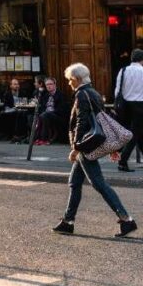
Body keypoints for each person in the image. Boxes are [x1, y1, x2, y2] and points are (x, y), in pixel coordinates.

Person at [52, 62, 137, 237]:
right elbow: (103, 121)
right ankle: (68, 221)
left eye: (69, 80)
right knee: (74, 182)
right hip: (90, 144)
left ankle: (126, 219)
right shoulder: (93, 92)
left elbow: (82, 123)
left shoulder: (82, 94)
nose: (68, 83)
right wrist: (109, 145)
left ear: (76, 79)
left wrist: (76, 148)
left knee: (99, 183)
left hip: (85, 146)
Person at [115, 48, 143, 172]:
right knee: (135, 134)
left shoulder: (123, 70)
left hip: (125, 106)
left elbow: (118, 89)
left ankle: (123, 161)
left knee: (139, 133)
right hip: (140, 105)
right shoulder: (142, 71)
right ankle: (122, 161)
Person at [35, 76, 68, 145]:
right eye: (47, 84)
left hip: (58, 116)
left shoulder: (60, 95)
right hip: (46, 115)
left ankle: (44, 139)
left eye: (50, 84)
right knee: (37, 115)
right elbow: (42, 107)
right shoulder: (45, 95)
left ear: (55, 84)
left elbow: (61, 110)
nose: (49, 86)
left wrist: (49, 112)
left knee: (45, 115)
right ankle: (37, 138)